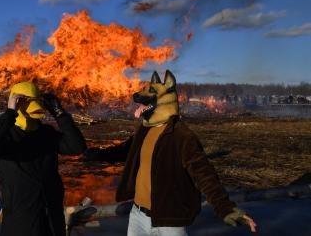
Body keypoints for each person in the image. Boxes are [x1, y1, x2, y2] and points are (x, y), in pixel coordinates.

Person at [85, 70, 257, 236]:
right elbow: (124, 151)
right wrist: (100, 154)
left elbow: (204, 175)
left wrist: (225, 209)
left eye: (151, 92)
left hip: (169, 221)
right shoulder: (144, 130)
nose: (140, 98)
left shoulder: (182, 136)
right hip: (138, 216)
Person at [0, 81, 87, 236]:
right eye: (25, 101)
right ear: (15, 103)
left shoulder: (47, 133)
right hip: (20, 224)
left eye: (35, 101)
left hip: (51, 221)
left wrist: (59, 113)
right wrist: (10, 113)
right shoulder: (6, 136)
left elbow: (77, 147)